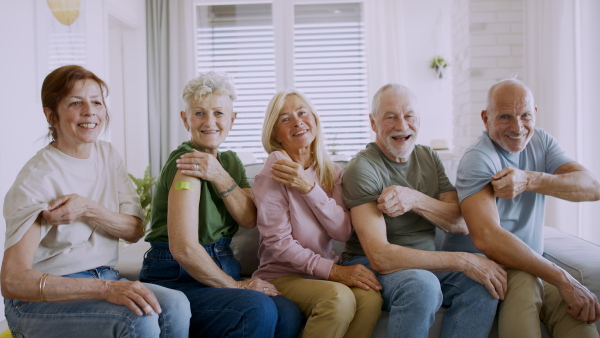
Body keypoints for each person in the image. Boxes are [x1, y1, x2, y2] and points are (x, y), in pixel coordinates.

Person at [1, 65, 191, 337]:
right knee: (137, 320)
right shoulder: (37, 180)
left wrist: (87, 208)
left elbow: (134, 229)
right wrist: (105, 289)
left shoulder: (107, 154)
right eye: (76, 103)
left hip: (104, 277)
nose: (90, 111)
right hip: (38, 303)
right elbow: (12, 281)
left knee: (176, 305)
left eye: (97, 102)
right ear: (50, 115)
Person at [139, 71, 303, 337]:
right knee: (256, 309)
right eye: (199, 113)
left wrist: (218, 174)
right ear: (185, 119)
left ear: (232, 119)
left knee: (288, 313)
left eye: (218, 113)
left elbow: (249, 218)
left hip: (219, 266)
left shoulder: (230, 163)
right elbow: (183, 249)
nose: (210, 122)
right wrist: (236, 287)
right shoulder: (186, 164)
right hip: (176, 277)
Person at [340, 83, 507, 338]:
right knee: (424, 284)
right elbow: (380, 257)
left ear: (419, 120)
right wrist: (462, 261)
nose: (402, 126)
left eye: (409, 116)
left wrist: (415, 199)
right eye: (390, 117)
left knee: (484, 278)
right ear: (373, 123)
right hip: (373, 269)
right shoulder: (362, 169)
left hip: (424, 264)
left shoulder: (428, 156)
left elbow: (459, 222)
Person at [442, 79, 600, 337]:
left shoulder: (542, 142)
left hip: (532, 265)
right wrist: (562, 277)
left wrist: (529, 179)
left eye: (525, 115)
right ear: (486, 118)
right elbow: (487, 238)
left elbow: (593, 187)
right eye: (505, 116)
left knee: (577, 310)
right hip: (488, 270)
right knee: (527, 284)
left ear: (535, 114)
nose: (517, 127)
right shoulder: (478, 158)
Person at [252, 89, 383, 338]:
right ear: (276, 135)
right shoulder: (275, 170)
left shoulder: (330, 171)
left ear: (314, 120)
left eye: (302, 112)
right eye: (285, 118)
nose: (297, 121)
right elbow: (278, 244)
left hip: (318, 274)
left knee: (369, 298)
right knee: (338, 297)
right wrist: (333, 272)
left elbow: (343, 230)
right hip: (282, 276)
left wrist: (309, 188)